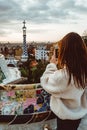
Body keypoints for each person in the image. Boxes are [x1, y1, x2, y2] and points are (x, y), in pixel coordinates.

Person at [40, 32, 87, 130]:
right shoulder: (83, 72)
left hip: (65, 117)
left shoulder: (63, 76)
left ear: (65, 52)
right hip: (77, 115)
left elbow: (45, 81)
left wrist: (52, 64)